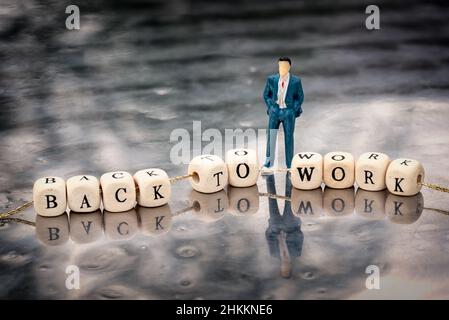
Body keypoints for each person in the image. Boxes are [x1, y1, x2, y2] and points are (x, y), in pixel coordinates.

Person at [262, 57, 304, 173]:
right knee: (271, 135)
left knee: (289, 137)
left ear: (289, 67)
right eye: (280, 66)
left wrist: (292, 109)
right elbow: (266, 95)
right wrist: (271, 107)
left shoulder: (296, 81)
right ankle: (268, 162)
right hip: (275, 111)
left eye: (285, 66)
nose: (282, 68)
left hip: (288, 112)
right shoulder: (272, 79)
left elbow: (300, 97)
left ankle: (289, 164)